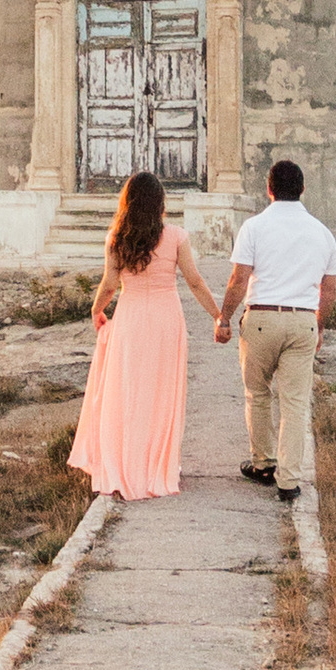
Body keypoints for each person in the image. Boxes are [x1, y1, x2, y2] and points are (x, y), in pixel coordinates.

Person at [69, 168, 222, 502]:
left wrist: (97, 310)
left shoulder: (117, 238)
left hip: (131, 318)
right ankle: (157, 466)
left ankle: (127, 463)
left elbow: (110, 284)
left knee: (128, 391)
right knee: (161, 392)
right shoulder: (177, 236)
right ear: (160, 202)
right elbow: (194, 281)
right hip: (166, 320)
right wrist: (218, 315)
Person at [212, 158, 336, 505]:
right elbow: (328, 290)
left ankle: (263, 463)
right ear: (302, 189)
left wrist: (224, 318)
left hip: (262, 318)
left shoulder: (254, 227)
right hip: (302, 321)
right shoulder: (322, 233)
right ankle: (289, 481)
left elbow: (239, 279)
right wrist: (320, 324)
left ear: (268, 188)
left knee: (258, 394)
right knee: (296, 404)